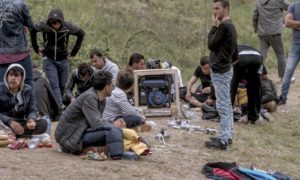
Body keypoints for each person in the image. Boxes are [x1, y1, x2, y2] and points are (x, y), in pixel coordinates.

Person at [55, 71, 124, 157]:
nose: (113, 87)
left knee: (122, 126)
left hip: (80, 132)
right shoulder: (90, 97)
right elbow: (96, 124)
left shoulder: (101, 98)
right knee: (112, 131)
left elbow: (98, 121)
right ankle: (119, 154)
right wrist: (113, 124)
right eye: (112, 85)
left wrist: (113, 123)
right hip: (69, 138)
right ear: (106, 86)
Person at [31, 9, 85, 107]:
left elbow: (81, 33)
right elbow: (33, 29)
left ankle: (58, 106)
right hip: (48, 58)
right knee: (54, 84)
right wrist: (36, 48)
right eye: (52, 23)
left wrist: (74, 52)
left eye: (57, 23)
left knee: (63, 86)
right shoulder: (44, 25)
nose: (55, 25)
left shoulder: (68, 26)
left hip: (63, 58)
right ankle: (60, 108)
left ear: (62, 22)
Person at [204, 0, 238, 150]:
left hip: (221, 71)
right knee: (227, 104)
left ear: (226, 9)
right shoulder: (231, 26)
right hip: (226, 68)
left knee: (223, 105)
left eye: (217, 8)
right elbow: (235, 53)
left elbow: (211, 44)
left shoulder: (224, 26)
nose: (215, 12)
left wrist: (212, 26)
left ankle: (223, 139)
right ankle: (228, 134)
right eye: (213, 8)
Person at [0, 64, 47, 138]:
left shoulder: (28, 90)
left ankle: (11, 135)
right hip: (3, 122)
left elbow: (32, 110)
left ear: (22, 78)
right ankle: (17, 134)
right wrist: (10, 121)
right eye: (11, 74)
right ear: (6, 76)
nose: (13, 78)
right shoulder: (0, 88)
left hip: (20, 123)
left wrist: (31, 119)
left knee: (43, 123)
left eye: (16, 75)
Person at [0, 0, 35, 90]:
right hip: (20, 53)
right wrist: (20, 25)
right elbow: (31, 26)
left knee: (2, 87)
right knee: (28, 82)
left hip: (1, 56)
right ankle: (31, 104)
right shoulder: (20, 4)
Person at [252, 0, 289, 79]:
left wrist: (256, 28)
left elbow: (255, 15)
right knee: (280, 54)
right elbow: (290, 8)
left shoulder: (259, 1)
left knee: (262, 55)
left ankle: (257, 75)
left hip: (262, 33)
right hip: (275, 32)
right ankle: (283, 76)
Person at [231, 45, 263, 124]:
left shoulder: (233, 49)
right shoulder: (251, 48)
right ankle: (254, 116)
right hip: (258, 58)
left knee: (232, 87)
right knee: (255, 88)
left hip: (241, 58)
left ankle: (226, 114)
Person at [277, 0, 300, 106]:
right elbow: (287, 23)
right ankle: (283, 97)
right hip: (296, 44)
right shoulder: (294, 5)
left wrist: (295, 24)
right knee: (288, 71)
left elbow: (291, 23)